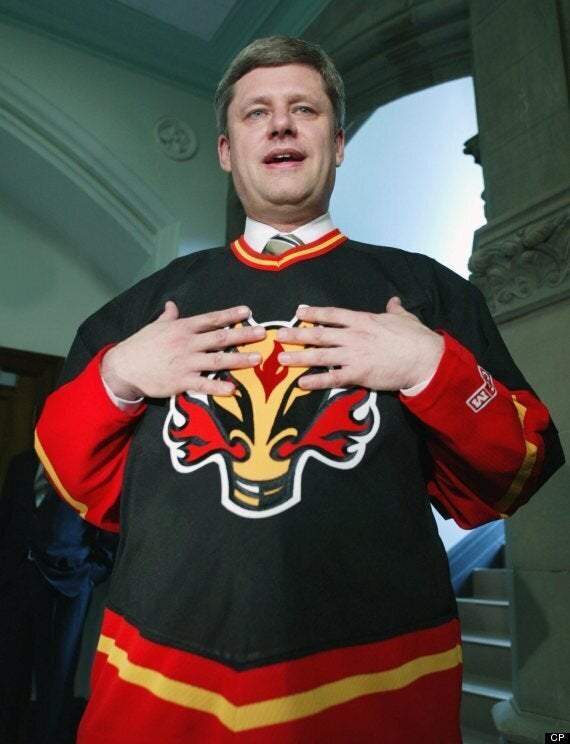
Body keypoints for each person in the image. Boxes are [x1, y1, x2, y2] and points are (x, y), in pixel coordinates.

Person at [35, 36, 564, 743]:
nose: (280, 124)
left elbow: (517, 465)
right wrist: (118, 377)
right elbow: (72, 476)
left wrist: (432, 369)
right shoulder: (139, 312)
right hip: (161, 694)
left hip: (373, 695)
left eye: (303, 109)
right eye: (256, 113)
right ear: (226, 150)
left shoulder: (428, 295)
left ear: (338, 143)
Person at [0, 451, 116, 744]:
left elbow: (109, 531)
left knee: (55, 680)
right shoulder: (22, 464)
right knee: (9, 675)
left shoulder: (90, 466)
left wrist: (89, 574)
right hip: (15, 585)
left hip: (65, 589)